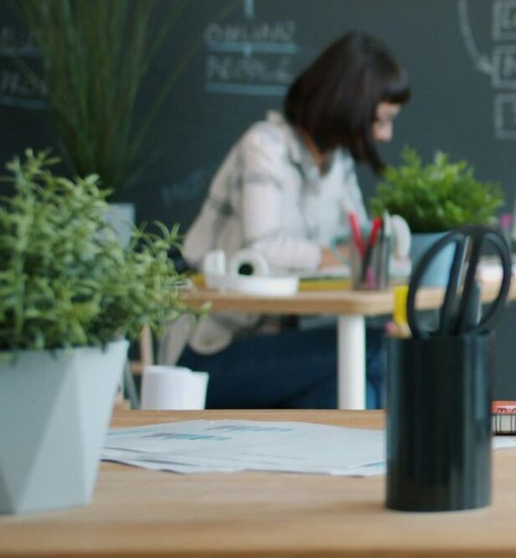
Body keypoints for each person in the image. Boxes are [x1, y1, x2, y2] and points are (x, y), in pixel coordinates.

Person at [168, 32, 410, 408]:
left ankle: (364, 450)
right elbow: (263, 250)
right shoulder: (265, 145)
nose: (386, 135)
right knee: (380, 351)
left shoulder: (338, 163)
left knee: (351, 389)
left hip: (284, 346)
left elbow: (358, 245)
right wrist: (342, 255)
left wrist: (369, 253)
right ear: (350, 106)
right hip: (212, 352)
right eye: (382, 120)